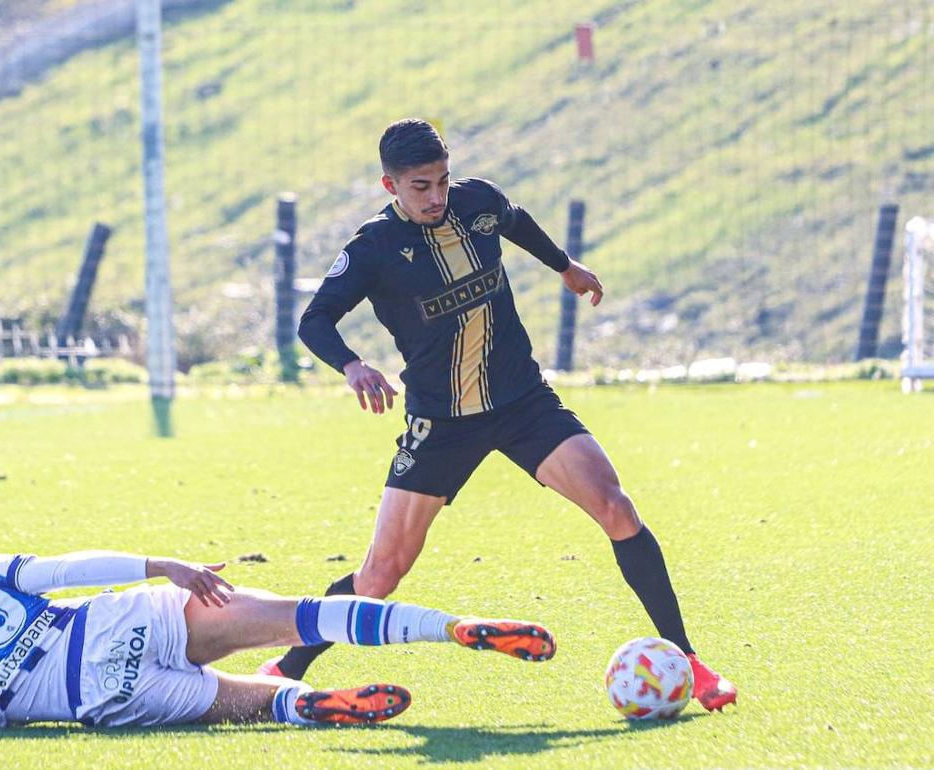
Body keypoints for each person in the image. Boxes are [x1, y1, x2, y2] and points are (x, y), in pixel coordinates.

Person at [261, 118, 736, 712]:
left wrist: (564, 265)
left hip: (523, 404)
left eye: (441, 181)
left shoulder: (476, 202)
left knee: (616, 508)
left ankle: (687, 658)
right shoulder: (373, 249)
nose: (436, 197)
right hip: (442, 423)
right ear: (390, 186)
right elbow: (314, 321)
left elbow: (514, 220)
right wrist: (353, 365)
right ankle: (284, 665)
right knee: (380, 578)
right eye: (419, 187)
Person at [0, 546, 555, 730]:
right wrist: (169, 564)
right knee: (300, 614)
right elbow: (69, 567)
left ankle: (302, 705)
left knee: (246, 706)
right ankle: (448, 629)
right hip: (122, 618)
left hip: (96, 696)